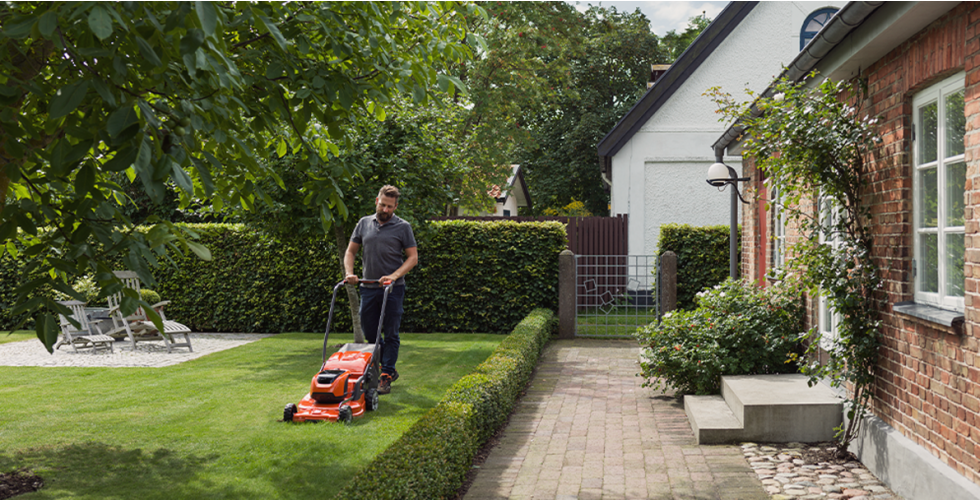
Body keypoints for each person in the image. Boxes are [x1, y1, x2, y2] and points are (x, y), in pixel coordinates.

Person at [344, 185, 418, 395]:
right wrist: (350, 273)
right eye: (383, 205)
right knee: (370, 333)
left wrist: (394, 276)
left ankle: (385, 374)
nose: (386, 210)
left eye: (390, 207)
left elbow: (413, 258)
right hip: (368, 287)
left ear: (396, 206)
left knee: (391, 332)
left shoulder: (403, 227)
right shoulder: (363, 223)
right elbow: (351, 251)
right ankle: (388, 367)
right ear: (377, 200)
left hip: (393, 289)